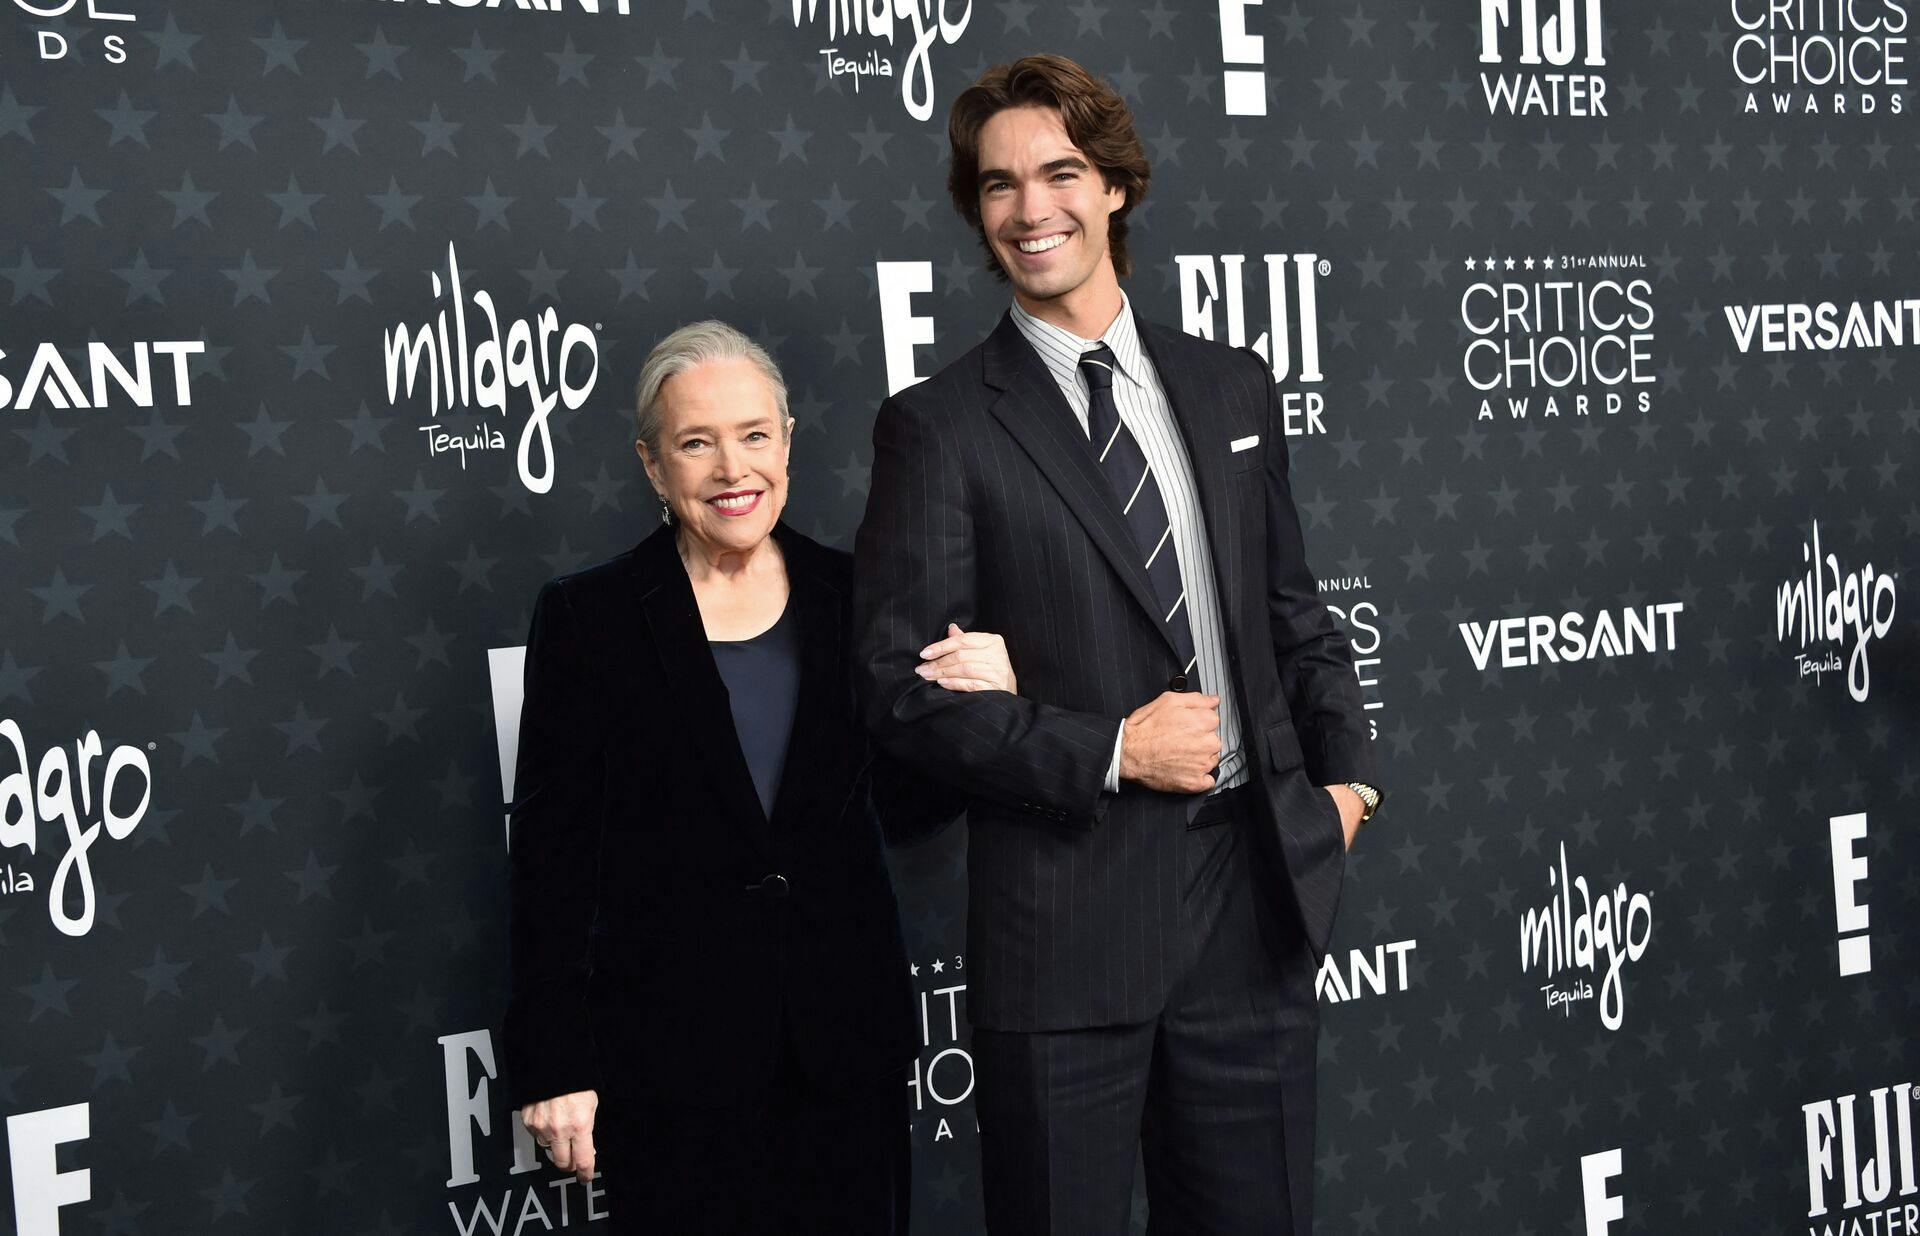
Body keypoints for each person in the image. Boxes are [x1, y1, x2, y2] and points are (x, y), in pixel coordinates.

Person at [852, 55, 1385, 1235]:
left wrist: (1348, 789)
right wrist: (1111, 751)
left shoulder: (1233, 386)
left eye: (1059, 174)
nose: (1029, 210)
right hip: (1065, 933)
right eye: (998, 186)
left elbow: (1295, 613)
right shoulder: (938, 428)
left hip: (1249, 910)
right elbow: (899, 695)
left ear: (1115, 187)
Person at [503, 320, 1018, 1234]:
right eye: (695, 443)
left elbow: (907, 810)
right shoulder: (590, 618)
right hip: (669, 1061)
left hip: (845, 1047)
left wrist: (982, 711)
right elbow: (552, 858)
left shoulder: (858, 596)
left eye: (753, 435)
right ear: (652, 465)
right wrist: (555, 1062)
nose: (732, 469)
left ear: (787, 442)